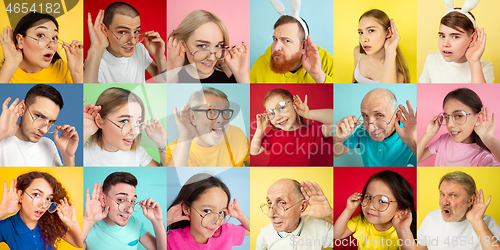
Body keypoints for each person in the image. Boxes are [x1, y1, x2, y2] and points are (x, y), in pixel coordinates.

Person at [85, 2, 167, 83]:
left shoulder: (139, 49)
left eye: (136, 31)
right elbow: (88, 94)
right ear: (105, 30)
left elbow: (163, 82)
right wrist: (96, 48)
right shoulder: (95, 62)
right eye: (122, 32)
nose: (133, 42)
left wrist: (160, 57)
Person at [83, 87, 166, 166]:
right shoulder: (82, 152)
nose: (136, 132)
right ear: (99, 121)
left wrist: (161, 142)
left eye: (138, 122)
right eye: (125, 121)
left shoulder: (137, 152)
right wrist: (84, 133)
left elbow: (165, 174)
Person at [167, 87, 250, 167]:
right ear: (193, 117)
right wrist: (185, 138)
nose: (221, 120)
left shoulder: (238, 135)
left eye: (225, 112)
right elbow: (173, 178)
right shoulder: (175, 150)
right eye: (212, 112)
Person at [334, 170, 417, 250]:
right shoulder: (360, 220)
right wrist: (349, 209)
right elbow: (336, 234)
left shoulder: (401, 233)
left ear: (400, 208)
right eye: (368, 197)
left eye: (382, 201)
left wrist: (403, 229)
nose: (370, 206)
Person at [0, 171, 84, 249]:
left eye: (48, 198)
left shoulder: (50, 223)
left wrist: (73, 224)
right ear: (21, 195)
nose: (43, 205)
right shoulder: (7, 226)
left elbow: (80, 244)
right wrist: (2, 211)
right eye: (36, 194)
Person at [417, 88, 500, 166]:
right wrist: (428, 134)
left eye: (459, 116)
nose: (449, 124)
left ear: (478, 118)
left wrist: (489, 137)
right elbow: (414, 160)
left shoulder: (483, 159)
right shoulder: (443, 140)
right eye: (447, 117)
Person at [334, 88, 417, 166]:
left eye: (379, 115)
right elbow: (337, 152)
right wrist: (339, 139)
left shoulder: (409, 138)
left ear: (396, 115)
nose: (370, 129)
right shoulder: (362, 130)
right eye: (365, 116)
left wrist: (413, 144)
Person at [417, 171, 500, 250]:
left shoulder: (487, 223)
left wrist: (477, 221)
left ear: (470, 200)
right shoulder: (431, 218)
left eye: (453, 195)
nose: (444, 202)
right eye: (442, 194)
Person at [83, 172, 166, 250]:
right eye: (121, 199)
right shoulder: (87, 228)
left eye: (132, 201)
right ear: (103, 200)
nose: (129, 210)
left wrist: (157, 221)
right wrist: (88, 221)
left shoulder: (135, 224)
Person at [0, 84, 79, 166]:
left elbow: (63, 178)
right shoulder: (2, 140)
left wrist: (68, 156)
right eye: (38, 116)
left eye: (51, 121)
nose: (44, 130)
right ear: (22, 109)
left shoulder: (48, 144)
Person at [250, 88, 333, 166]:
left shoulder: (313, 132)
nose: (278, 117)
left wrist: (308, 114)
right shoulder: (274, 134)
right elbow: (254, 151)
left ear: (294, 106)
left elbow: (336, 119)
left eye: (282, 108)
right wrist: (260, 129)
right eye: (271, 113)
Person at [166, 173, 249, 249]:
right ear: (186, 208)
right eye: (207, 211)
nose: (216, 221)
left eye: (221, 212)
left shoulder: (226, 232)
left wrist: (240, 215)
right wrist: (166, 221)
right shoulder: (172, 239)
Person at [166, 10, 249, 83]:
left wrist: (242, 76)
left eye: (218, 45)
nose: (212, 58)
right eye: (202, 46)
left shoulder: (230, 76)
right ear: (183, 45)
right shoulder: (172, 78)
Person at [419, 2, 493, 83]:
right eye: (442, 36)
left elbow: (480, 94)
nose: (445, 44)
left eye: (455, 37)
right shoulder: (432, 59)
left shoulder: (484, 67)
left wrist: (474, 62)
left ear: (472, 39)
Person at [0, 12, 83, 83]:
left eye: (54, 38)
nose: (51, 45)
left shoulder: (62, 69)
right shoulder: (4, 70)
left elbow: (81, 100)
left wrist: (77, 73)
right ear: (21, 41)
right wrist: (11, 64)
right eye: (41, 35)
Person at [250, 15, 334, 83]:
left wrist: (318, 75)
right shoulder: (259, 65)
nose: (276, 47)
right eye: (275, 39)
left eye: (286, 40)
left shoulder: (325, 61)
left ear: (303, 46)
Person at [256, 179, 334, 250]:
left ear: (302, 206)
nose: (270, 214)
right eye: (269, 203)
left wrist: (331, 216)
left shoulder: (321, 228)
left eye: (282, 203)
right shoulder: (265, 234)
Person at [353, 9, 410, 83]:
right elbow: (354, 84)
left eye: (371, 30)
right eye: (361, 32)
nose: (363, 39)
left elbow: (386, 92)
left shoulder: (397, 72)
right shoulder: (357, 52)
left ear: (388, 32)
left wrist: (390, 51)